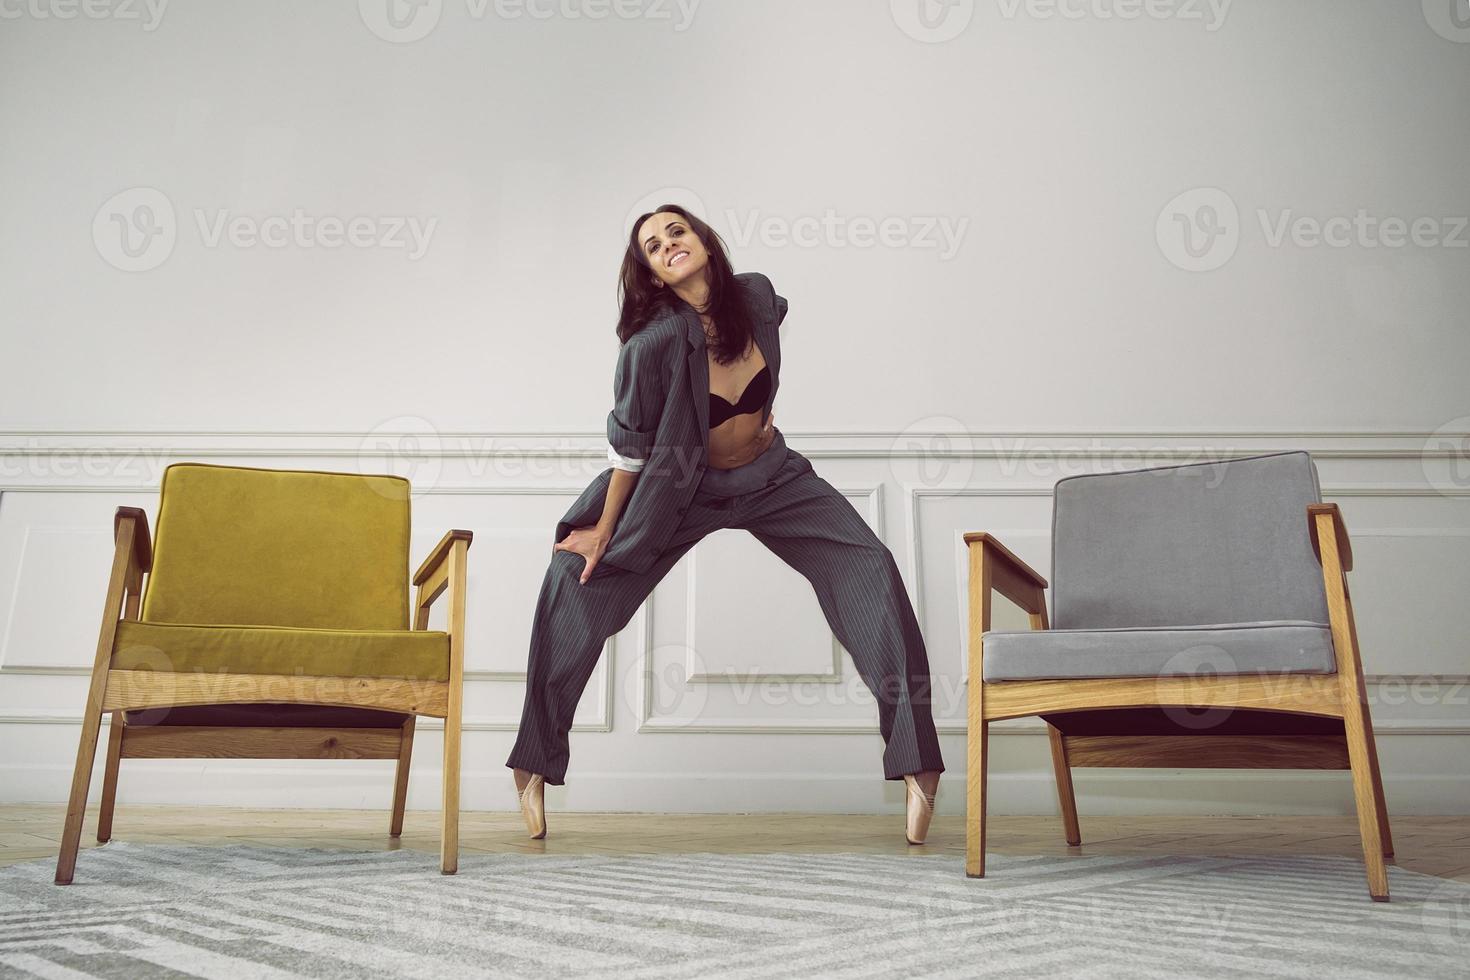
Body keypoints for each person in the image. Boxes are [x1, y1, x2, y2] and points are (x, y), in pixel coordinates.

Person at [505, 204, 944, 845]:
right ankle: (534, 762)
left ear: (705, 241)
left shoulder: (758, 297)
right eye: (653, 246)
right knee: (574, 581)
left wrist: (762, 418)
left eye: (677, 231)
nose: (669, 245)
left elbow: (768, 340)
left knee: (870, 567)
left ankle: (917, 763)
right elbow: (628, 449)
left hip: (773, 479)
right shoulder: (650, 345)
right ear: (652, 275)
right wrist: (603, 528)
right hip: (682, 491)